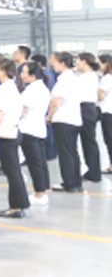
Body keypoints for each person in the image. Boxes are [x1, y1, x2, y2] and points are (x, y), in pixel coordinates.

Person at [0, 59, 30, 218]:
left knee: (12, 172)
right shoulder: (12, 88)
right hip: (12, 131)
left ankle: (16, 207)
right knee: (14, 171)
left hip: (5, 134)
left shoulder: (6, 90)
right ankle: (20, 204)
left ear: (3, 71)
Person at [47, 52, 84, 193]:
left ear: (63, 64)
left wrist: (49, 116)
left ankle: (69, 184)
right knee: (72, 152)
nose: (53, 65)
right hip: (74, 120)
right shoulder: (73, 78)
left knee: (65, 153)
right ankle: (76, 182)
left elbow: (56, 101)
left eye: (55, 62)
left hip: (63, 120)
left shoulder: (64, 80)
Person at [19, 62, 51, 205]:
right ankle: (43, 190)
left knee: (34, 163)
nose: (22, 75)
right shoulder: (42, 88)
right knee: (40, 162)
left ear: (32, 76)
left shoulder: (32, 90)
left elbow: (22, 110)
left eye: (24, 72)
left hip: (29, 130)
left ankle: (39, 194)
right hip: (38, 129)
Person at [75, 53, 102, 183]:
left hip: (86, 108)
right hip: (87, 108)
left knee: (89, 141)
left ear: (84, 62)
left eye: (78, 61)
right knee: (87, 141)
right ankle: (92, 171)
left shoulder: (87, 77)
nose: (77, 64)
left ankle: (94, 173)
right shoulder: (89, 76)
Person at [99, 55, 112, 175]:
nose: (98, 66)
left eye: (100, 63)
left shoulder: (107, 78)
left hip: (108, 112)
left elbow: (100, 96)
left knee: (109, 139)